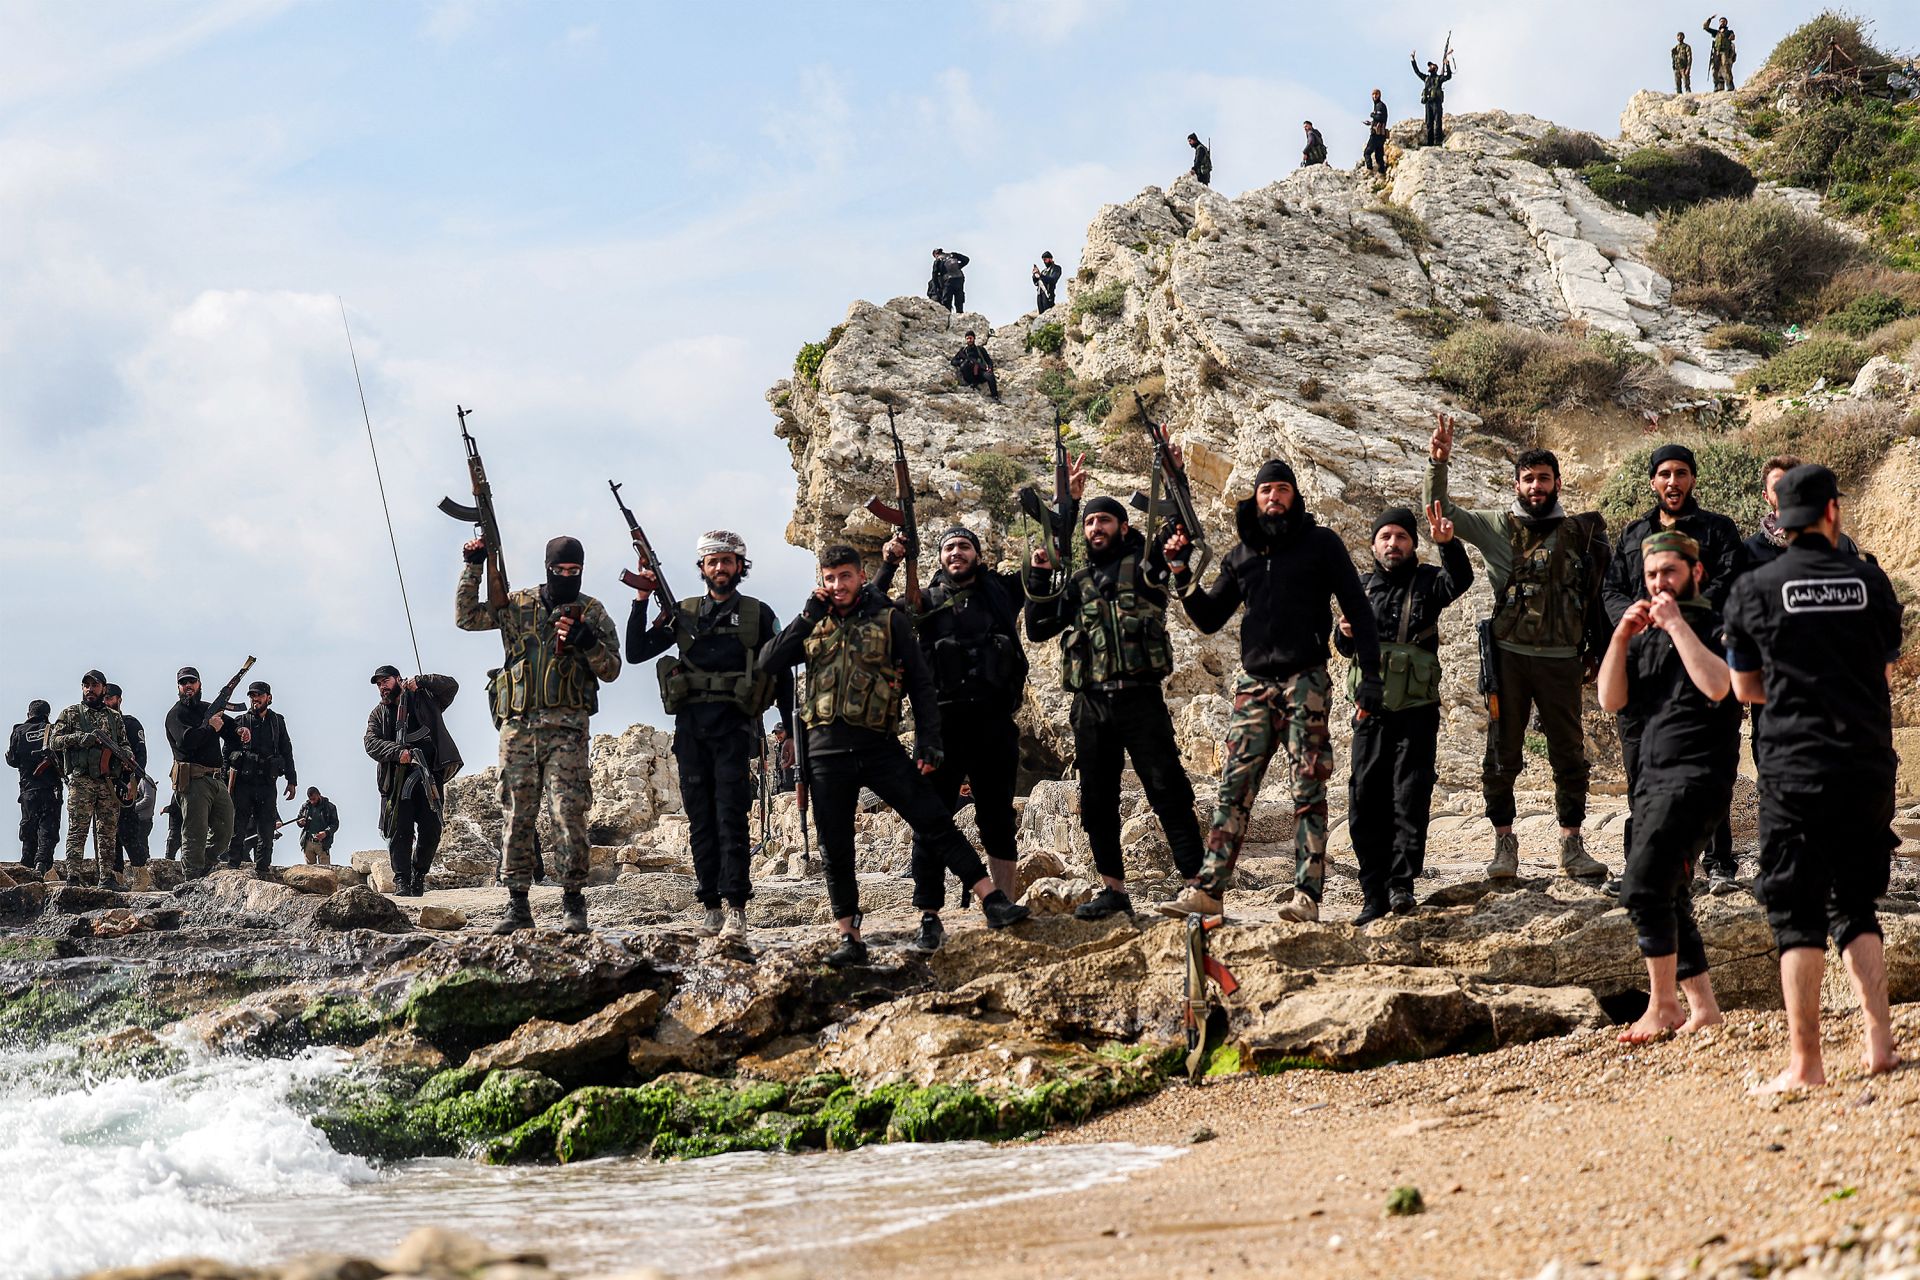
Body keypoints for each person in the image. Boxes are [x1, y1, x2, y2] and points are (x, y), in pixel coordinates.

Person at [760, 545, 1030, 964]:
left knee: (933, 820)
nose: (837, 586)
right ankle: (849, 936)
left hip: (878, 745)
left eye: (845, 577)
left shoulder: (888, 619)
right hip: (825, 752)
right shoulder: (812, 624)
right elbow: (769, 660)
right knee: (836, 848)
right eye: (830, 578)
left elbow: (921, 683)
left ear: (860, 575)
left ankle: (991, 899)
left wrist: (927, 740)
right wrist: (808, 614)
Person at [1723, 464, 1903, 1091]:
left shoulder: (1753, 587)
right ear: (1832, 513)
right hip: (1867, 765)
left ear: (1780, 516)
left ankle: (1806, 1063)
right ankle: (1878, 1042)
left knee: (1797, 915)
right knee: (1855, 904)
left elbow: (1746, 688)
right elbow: (1884, 668)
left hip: (1795, 768)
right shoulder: (1870, 581)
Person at [1159, 460, 1383, 921]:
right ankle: (1208, 891)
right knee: (1233, 789)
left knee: (1308, 789)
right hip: (1254, 685)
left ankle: (1307, 896)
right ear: (1256, 498)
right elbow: (1208, 618)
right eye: (1266, 490)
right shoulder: (1241, 555)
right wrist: (1182, 573)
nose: (1274, 497)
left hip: (1307, 680)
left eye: (1282, 489)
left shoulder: (1321, 544)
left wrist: (1372, 677)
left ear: (1294, 496)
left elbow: (1358, 609)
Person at [1424, 413, 1611, 883]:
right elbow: (1439, 509)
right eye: (1527, 479)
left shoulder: (1582, 532)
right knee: (1501, 754)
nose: (1536, 486)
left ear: (1558, 483)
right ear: (1516, 484)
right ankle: (1504, 844)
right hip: (1509, 657)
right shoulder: (1496, 527)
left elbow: (1597, 596)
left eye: (1543, 478)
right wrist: (1438, 462)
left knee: (1569, 754)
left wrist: (1597, 651)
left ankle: (1572, 845)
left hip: (1562, 661)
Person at [1025, 489, 1206, 920]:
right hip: (1091, 705)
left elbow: (1184, 534)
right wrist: (1038, 575)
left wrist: (1175, 475)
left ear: (1123, 527)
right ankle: (1113, 891)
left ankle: (1197, 889)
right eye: (1089, 522)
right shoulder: (1078, 581)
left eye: (1104, 521)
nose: (1095, 528)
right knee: (1096, 801)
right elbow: (1037, 627)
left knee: (1169, 792)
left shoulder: (1146, 566)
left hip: (1139, 698)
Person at [1598, 531, 1739, 1044]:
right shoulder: (1642, 636)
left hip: (1697, 778)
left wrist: (1677, 624)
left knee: (1642, 886)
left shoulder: (1719, 623)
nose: (1660, 582)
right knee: (1670, 891)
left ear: (1695, 574)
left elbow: (1720, 686)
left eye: (1670, 573)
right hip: (1651, 779)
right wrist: (1619, 637)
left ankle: (1663, 1006)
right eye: (1652, 574)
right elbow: (1612, 700)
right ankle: (1703, 1008)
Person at [627, 529, 790, 943]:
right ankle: (711, 907)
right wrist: (642, 600)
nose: (720, 568)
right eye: (713, 561)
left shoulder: (757, 613)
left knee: (731, 817)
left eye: (727, 561)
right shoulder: (682, 613)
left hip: (735, 728)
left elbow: (782, 669)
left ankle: (736, 907)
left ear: (740, 567)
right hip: (691, 731)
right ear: (702, 568)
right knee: (700, 819)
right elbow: (635, 651)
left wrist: (788, 728)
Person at [877, 521, 1031, 949]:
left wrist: (1066, 508)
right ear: (939, 557)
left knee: (998, 818)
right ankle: (929, 914)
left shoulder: (1000, 592)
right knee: (931, 819)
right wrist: (890, 562)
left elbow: (1047, 566)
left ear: (977, 555)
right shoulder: (920, 600)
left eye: (964, 546)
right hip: (939, 728)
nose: (957, 553)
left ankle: (1003, 903)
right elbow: (871, 609)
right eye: (949, 548)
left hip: (995, 723)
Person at [458, 533, 620, 934]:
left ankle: (573, 902)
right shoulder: (517, 605)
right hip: (518, 728)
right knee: (517, 815)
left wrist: (587, 643)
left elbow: (612, 667)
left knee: (569, 812)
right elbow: (467, 617)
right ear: (547, 568)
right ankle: (517, 905)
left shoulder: (591, 611)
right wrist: (474, 567)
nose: (568, 576)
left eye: (574, 570)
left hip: (568, 728)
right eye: (560, 570)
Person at [1602, 443, 1744, 893]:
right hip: (1646, 659)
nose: (1673, 481)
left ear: (1693, 479)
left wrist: (1685, 616)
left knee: (1710, 760)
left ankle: (1720, 862)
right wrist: (1637, 621)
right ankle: (1639, 862)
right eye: (1664, 473)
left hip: (1700, 646)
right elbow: (1612, 590)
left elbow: (1728, 582)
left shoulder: (1717, 530)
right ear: (1652, 482)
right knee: (1639, 764)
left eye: (1681, 472)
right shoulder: (1632, 534)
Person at [1335, 503, 1474, 923]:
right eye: (1385, 537)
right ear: (1374, 545)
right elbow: (1344, 649)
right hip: (1370, 710)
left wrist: (1448, 545)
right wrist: (1342, 634)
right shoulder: (1359, 587)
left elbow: (1461, 581)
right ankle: (1372, 890)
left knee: (1410, 797)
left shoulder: (1430, 581)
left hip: (1417, 711)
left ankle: (1401, 885)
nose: (1393, 544)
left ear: (1413, 544)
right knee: (1364, 799)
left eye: (1401, 537)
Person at [366, 666, 462, 895]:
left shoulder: (425, 699)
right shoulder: (378, 714)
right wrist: (398, 752)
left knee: (431, 829)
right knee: (400, 831)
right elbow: (371, 743)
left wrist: (422, 681)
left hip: (429, 775)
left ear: (398, 679)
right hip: (397, 780)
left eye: (385, 681)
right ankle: (401, 880)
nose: (382, 687)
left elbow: (451, 686)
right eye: (379, 684)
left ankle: (419, 874)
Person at [48, 670, 132, 887]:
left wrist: (127, 756)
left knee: (107, 831)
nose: (89, 690)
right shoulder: (71, 714)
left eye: (94, 686)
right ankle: (73, 876)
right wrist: (80, 739)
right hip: (81, 780)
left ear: (103, 688)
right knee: (78, 828)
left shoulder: (114, 718)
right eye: (86, 685)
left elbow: (124, 743)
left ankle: (106, 876)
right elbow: (53, 742)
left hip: (107, 781)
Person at [165, 667, 244, 879]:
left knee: (225, 829)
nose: (188, 686)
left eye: (192, 682)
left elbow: (229, 729)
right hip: (193, 780)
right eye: (184, 683)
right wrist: (210, 728)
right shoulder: (176, 715)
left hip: (216, 779)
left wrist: (240, 731)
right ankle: (191, 877)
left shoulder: (208, 709)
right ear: (179, 687)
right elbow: (187, 742)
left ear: (199, 684)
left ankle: (205, 865)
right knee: (194, 833)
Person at [225, 681, 296, 877]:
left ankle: (263, 868)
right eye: (252, 696)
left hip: (267, 783)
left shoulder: (277, 722)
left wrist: (292, 780)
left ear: (268, 698)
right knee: (237, 827)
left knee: (266, 828)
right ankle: (233, 866)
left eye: (259, 695)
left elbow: (287, 750)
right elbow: (227, 753)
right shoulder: (240, 722)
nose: (255, 699)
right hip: (244, 784)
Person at [1744, 454, 1863, 569]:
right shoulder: (1750, 550)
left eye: (1794, 485)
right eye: (1778, 487)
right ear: (1766, 497)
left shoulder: (1841, 544)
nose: (1787, 492)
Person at [103, 683, 155, 891]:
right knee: (107, 833)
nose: (106, 702)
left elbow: (141, 756)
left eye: (110, 698)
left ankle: (141, 874)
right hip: (103, 784)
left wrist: (132, 780)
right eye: (104, 698)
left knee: (128, 831)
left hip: (125, 784)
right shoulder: (96, 724)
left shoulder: (130, 724)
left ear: (118, 700)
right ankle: (115, 876)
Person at [7, 699, 61, 875]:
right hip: (51, 789)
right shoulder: (52, 731)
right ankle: (41, 865)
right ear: (47, 715)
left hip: (28, 790)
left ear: (29, 714)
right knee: (48, 828)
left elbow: (13, 760)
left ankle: (27, 863)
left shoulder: (18, 732)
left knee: (29, 826)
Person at [1411, 50, 1453, 146]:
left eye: (1431, 65)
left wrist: (1447, 65)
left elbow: (1449, 76)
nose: (1429, 67)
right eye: (1429, 66)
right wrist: (1413, 60)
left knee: (1438, 121)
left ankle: (1438, 142)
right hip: (1428, 103)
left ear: (1436, 68)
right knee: (1429, 123)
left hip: (1436, 103)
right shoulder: (1426, 78)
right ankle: (1430, 143)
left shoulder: (1439, 78)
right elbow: (1417, 72)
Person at [295, 786, 340, 865]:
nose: (312, 802)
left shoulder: (330, 807)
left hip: (322, 843)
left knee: (325, 871)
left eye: (314, 799)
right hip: (308, 842)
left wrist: (326, 833)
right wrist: (300, 822)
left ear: (319, 795)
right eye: (310, 799)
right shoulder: (305, 807)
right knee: (309, 871)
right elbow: (298, 819)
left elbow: (335, 824)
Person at [951, 331, 999, 399]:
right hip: (970, 376)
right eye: (967, 338)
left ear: (974, 338)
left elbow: (989, 361)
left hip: (980, 372)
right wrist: (962, 362)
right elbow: (953, 361)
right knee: (964, 365)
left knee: (990, 376)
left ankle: (995, 396)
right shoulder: (963, 351)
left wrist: (990, 368)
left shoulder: (980, 349)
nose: (969, 340)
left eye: (970, 338)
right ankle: (973, 383)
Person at [928, 248, 969, 314]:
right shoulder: (953, 255)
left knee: (947, 300)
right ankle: (960, 313)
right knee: (959, 297)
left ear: (935, 255)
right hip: (960, 278)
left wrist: (937, 288)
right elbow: (966, 259)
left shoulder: (938, 260)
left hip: (949, 281)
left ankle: (948, 315)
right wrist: (959, 266)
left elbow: (934, 275)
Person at [1704, 16, 1736, 92]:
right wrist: (1709, 19)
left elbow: (1733, 37)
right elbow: (1705, 27)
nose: (1722, 22)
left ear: (1726, 23)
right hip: (1716, 52)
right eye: (1721, 21)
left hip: (1725, 52)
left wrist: (1730, 37)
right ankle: (1717, 85)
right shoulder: (1716, 32)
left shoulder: (1729, 32)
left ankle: (1730, 84)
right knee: (1715, 69)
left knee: (1726, 67)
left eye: (1724, 21)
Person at [1363, 90, 1389, 175]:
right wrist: (1370, 123)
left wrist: (1372, 115)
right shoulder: (1378, 105)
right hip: (1381, 135)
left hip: (1376, 135)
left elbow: (1380, 117)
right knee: (1379, 156)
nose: (1374, 96)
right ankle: (1382, 172)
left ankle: (1369, 169)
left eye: (1376, 94)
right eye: (1373, 94)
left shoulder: (1380, 105)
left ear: (1379, 95)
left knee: (1367, 152)